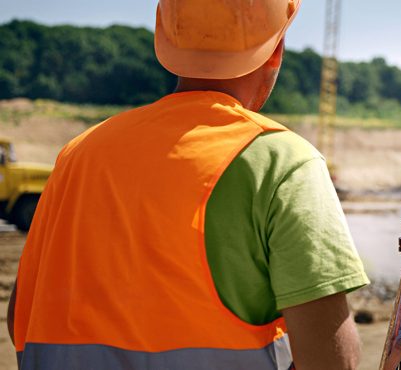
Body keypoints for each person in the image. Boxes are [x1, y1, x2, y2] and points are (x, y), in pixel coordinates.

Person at [7, 0, 369, 369]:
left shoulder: (78, 154)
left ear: (164, 42)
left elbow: (21, 314)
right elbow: (330, 359)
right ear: (276, 51)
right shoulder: (280, 161)